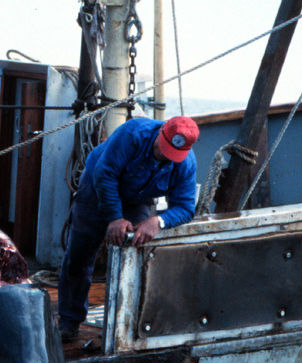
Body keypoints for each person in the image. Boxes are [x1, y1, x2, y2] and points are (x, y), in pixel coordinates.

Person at [57, 115, 199, 342]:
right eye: (163, 149)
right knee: (79, 256)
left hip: (137, 199)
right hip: (97, 188)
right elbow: (105, 174)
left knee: (137, 250)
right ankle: (69, 320)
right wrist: (114, 217)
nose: (164, 156)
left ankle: (129, 326)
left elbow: (185, 207)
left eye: (172, 155)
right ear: (160, 132)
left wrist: (158, 221)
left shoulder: (186, 164)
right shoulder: (133, 134)